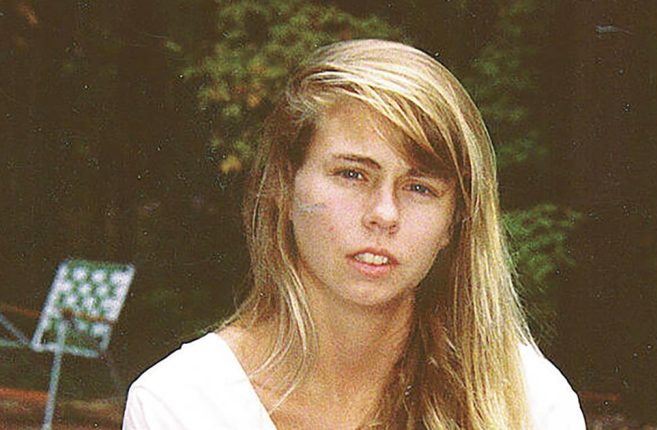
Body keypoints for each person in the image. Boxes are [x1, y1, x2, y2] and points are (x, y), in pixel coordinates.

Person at [123, 39, 585, 429]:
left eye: (419, 187)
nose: (384, 214)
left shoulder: (527, 402)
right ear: (284, 186)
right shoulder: (182, 404)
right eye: (352, 174)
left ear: (454, 222)